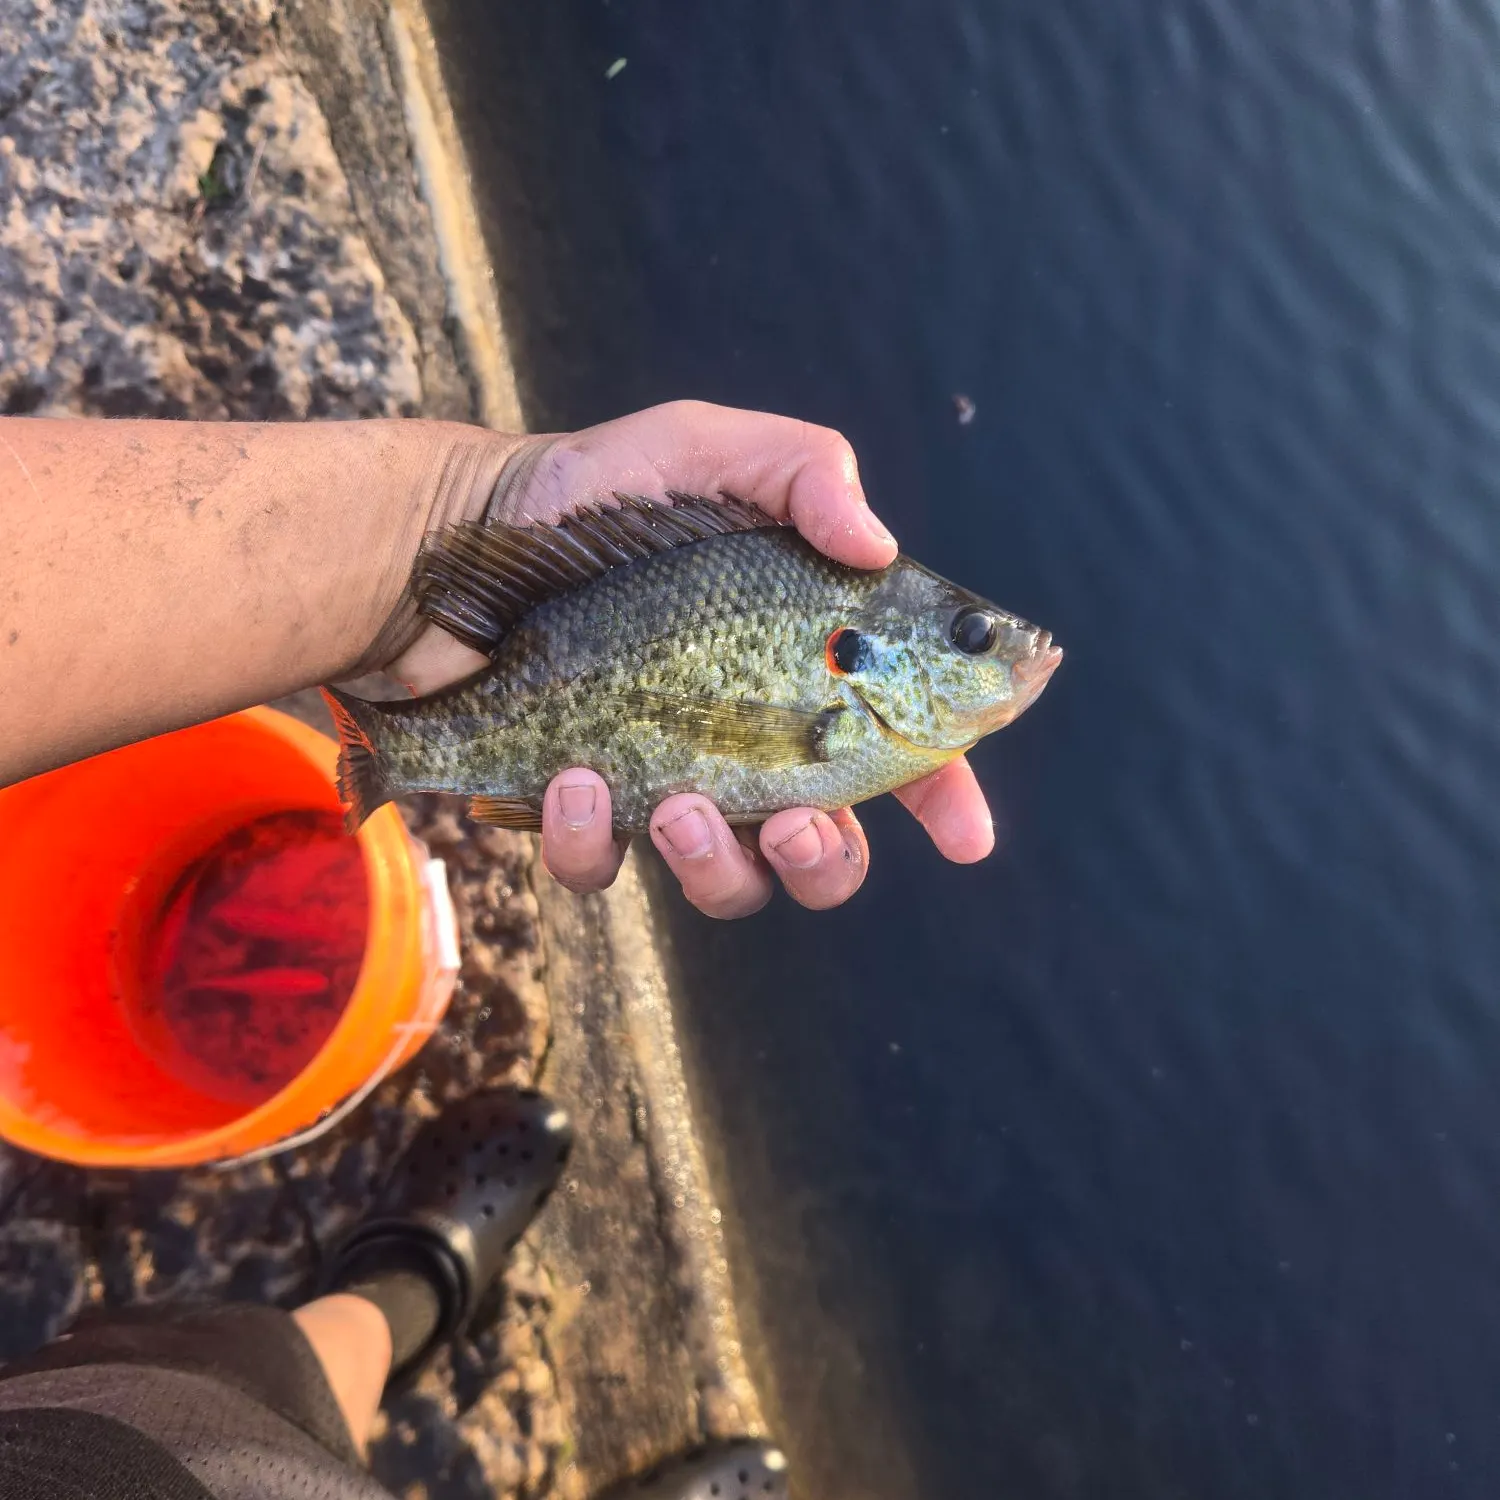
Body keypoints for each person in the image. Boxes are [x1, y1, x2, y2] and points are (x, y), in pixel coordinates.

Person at [0, 402, 995, 1497]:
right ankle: (409, 1286)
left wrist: (451, 513)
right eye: (969, 635)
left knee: (182, 1391)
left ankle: (400, 1288)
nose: (1009, 649)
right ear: (880, 657)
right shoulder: (838, 675)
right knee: (199, 1412)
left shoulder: (845, 678)